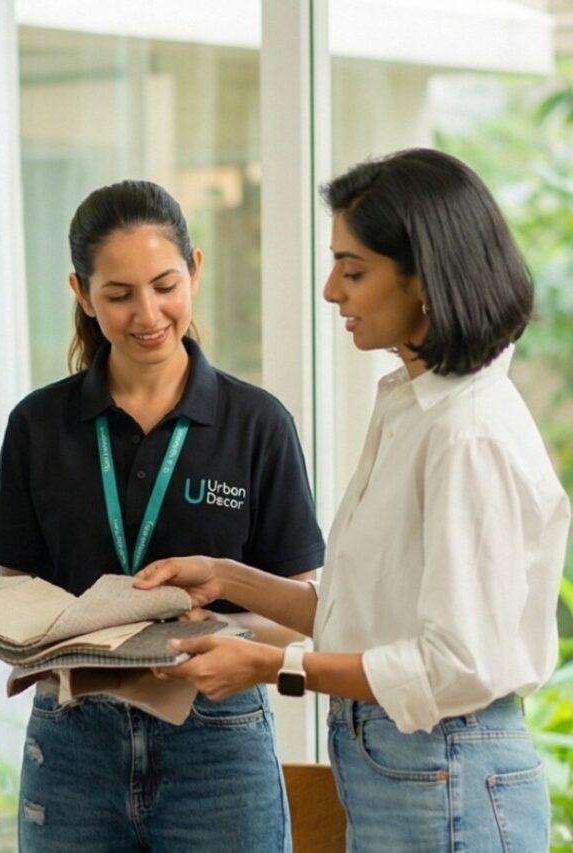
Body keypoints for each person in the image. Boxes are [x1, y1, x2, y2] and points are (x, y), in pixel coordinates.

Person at [136, 148, 571, 852]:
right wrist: (226, 576)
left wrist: (272, 664)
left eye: (353, 267)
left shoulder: (466, 432)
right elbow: (364, 616)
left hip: (444, 768)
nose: (330, 290)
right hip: (412, 768)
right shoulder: (415, 406)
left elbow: (450, 663)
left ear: (425, 279)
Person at [0, 179, 326, 851]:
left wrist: (226, 635)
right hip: (74, 737)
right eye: (118, 294)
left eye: (165, 284)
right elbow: (15, 588)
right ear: (81, 293)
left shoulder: (257, 423)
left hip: (217, 738)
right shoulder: (38, 424)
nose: (148, 313)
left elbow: (299, 608)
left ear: (195, 270)